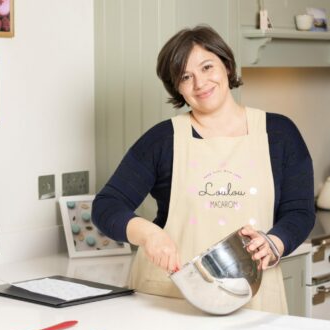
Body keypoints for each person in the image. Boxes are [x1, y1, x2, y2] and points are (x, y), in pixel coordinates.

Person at [92, 25, 315, 314]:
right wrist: (149, 234)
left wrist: (275, 242)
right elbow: (107, 206)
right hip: (171, 301)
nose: (200, 83)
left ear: (226, 64)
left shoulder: (280, 133)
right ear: (177, 88)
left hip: (253, 297)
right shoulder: (163, 140)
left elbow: (300, 211)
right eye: (185, 77)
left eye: (207, 67)